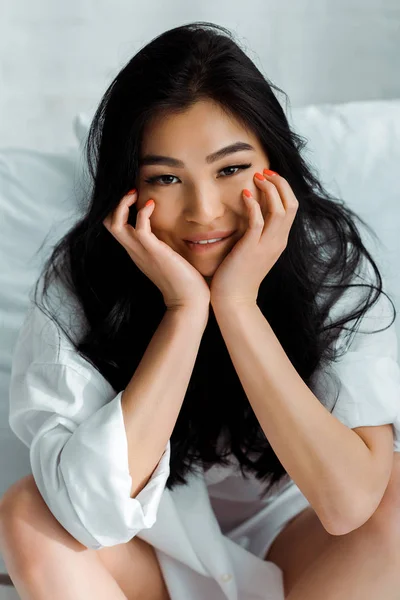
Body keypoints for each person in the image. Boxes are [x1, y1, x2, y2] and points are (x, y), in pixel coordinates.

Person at [1, 21, 400, 600]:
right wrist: (183, 311)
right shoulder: (78, 284)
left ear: (274, 162)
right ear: (127, 188)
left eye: (231, 169)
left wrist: (237, 305)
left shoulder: (326, 262)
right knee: (25, 514)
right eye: (166, 178)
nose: (204, 211)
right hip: (152, 551)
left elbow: (347, 506)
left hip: (300, 540)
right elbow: (89, 517)